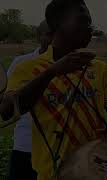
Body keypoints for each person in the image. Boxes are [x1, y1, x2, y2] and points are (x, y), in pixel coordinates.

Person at [1, 0, 107, 179]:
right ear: (57, 24)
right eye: (82, 20)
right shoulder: (28, 68)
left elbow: (105, 110)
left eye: (90, 22)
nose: (90, 28)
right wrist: (50, 73)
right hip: (52, 173)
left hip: (94, 169)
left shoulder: (99, 69)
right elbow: (6, 111)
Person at [6, 20, 52, 180]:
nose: (53, 39)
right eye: (48, 34)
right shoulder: (21, 63)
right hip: (26, 144)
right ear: (39, 36)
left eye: (57, 34)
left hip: (59, 145)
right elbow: (8, 103)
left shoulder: (73, 66)